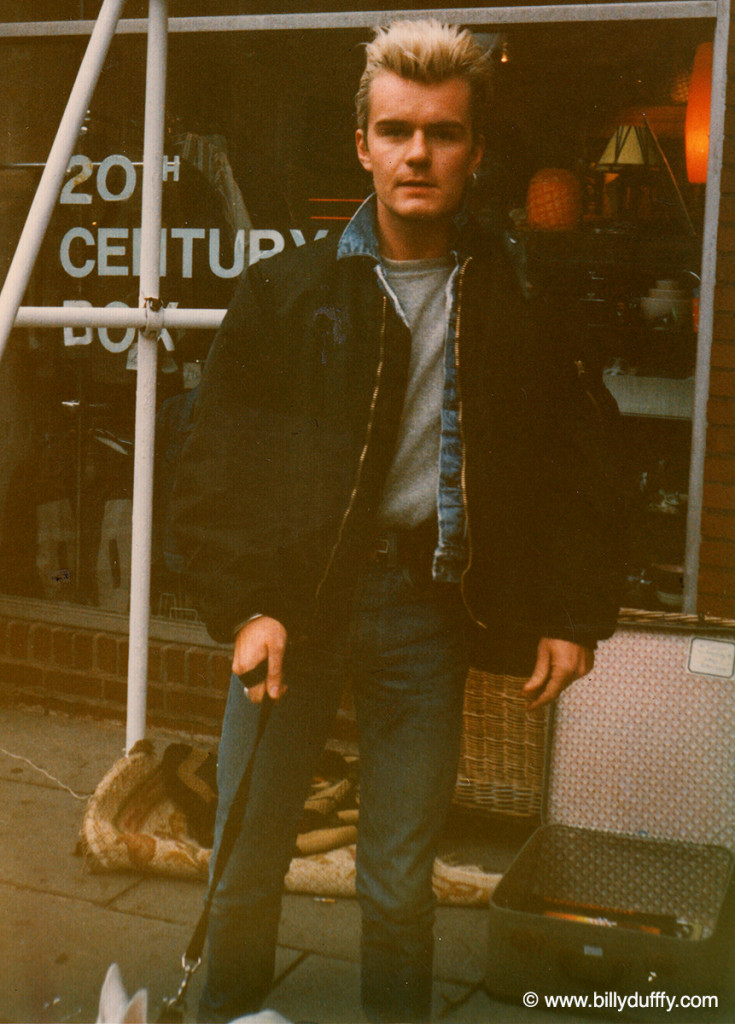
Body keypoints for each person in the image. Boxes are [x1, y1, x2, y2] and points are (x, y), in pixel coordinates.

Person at [171, 19, 625, 1023]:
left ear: (474, 149)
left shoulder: (518, 297)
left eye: (444, 132)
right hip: (293, 610)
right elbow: (214, 467)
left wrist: (571, 611)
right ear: (362, 144)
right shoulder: (285, 293)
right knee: (244, 863)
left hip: (425, 612)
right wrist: (245, 604)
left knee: (396, 886)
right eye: (397, 129)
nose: (418, 152)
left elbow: (580, 463)